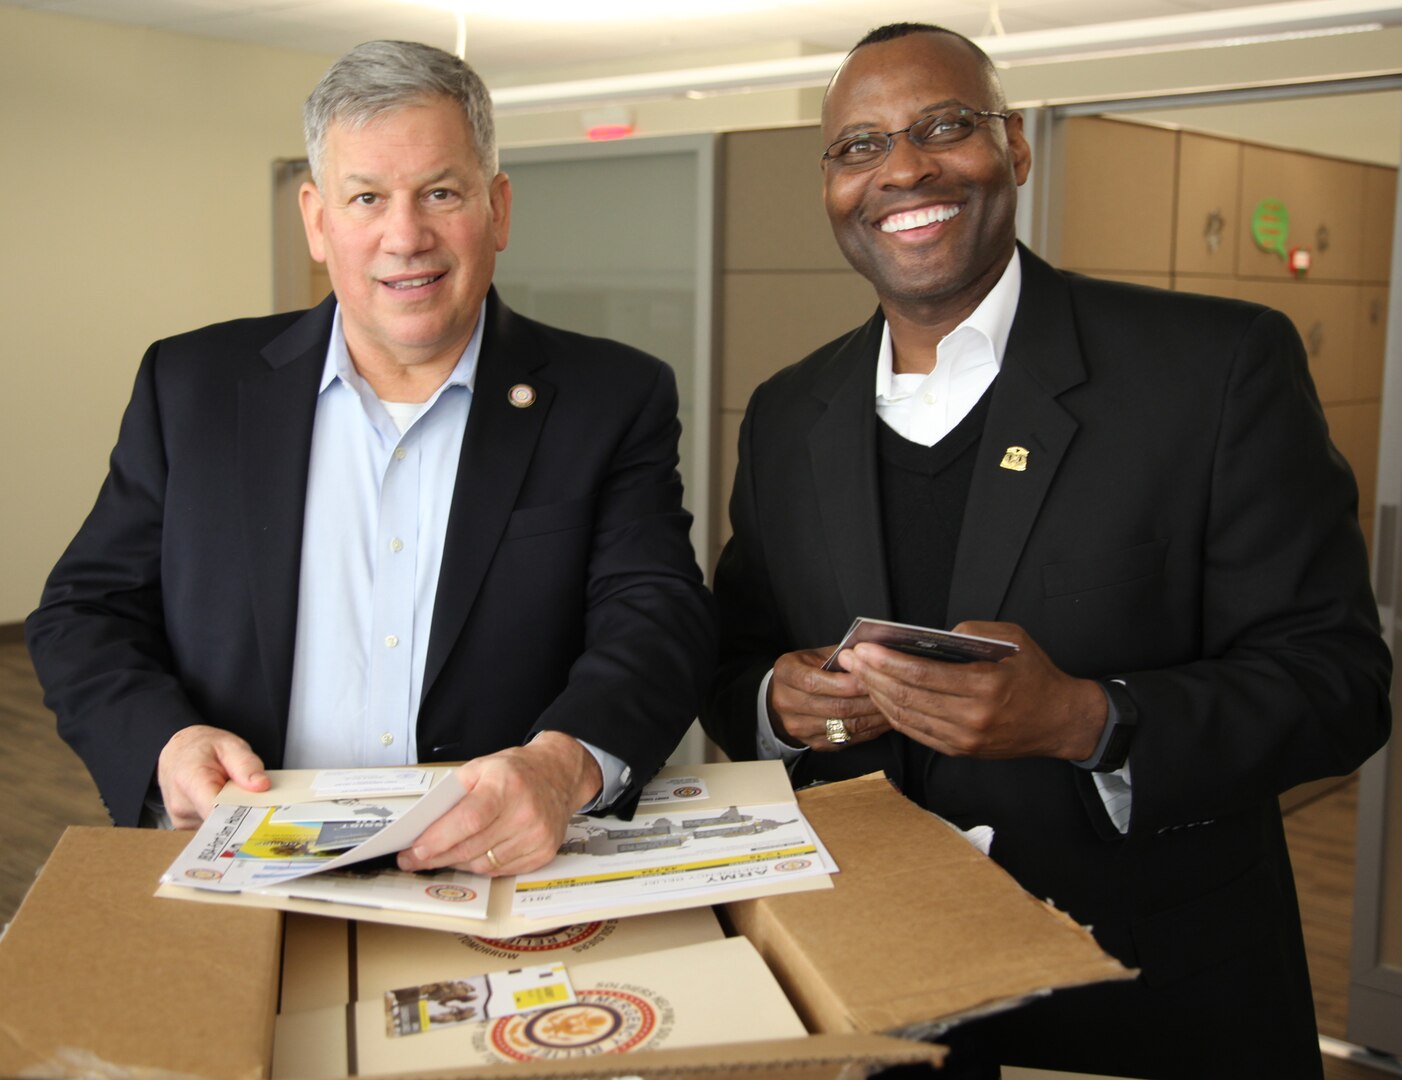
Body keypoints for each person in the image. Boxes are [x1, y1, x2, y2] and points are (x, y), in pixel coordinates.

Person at [702, 22, 1391, 1079]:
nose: (903, 168)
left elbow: (1339, 684)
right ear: (830, 185)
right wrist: (775, 702)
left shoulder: (1210, 371)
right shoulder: (791, 410)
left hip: (1143, 998)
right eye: (859, 146)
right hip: (865, 988)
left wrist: (1087, 720)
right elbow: (733, 651)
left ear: (1013, 149)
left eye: (944, 126)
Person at [27, 40, 714, 880]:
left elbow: (656, 617)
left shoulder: (612, 397)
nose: (405, 235)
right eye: (366, 197)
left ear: (497, 209)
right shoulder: (192, 387)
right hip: (248, 860)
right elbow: (84, 610)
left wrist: (562, 767)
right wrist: (166, 743)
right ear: (317, 221)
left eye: (440, 192)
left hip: (503, 868)